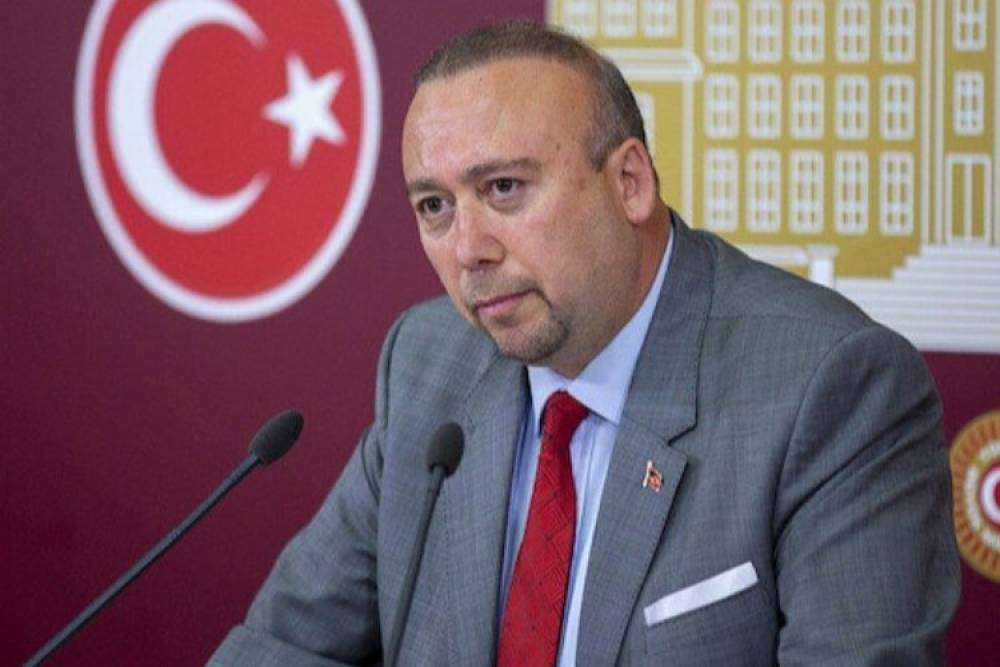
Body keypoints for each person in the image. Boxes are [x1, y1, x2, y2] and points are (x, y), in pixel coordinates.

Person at [211, 20, 960, 666]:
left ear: (630, 181)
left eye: (504, 188)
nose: (468, 249)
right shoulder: (429, 364)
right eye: (435, 206)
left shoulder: (830, 388)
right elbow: (285, 645)